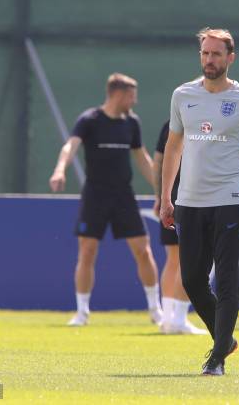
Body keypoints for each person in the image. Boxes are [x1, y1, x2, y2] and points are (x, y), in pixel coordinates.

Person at [160, 28, 239, 376]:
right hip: (189, 203)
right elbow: (173, 147)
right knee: (191, 279)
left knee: (225, 281)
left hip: (229, 201)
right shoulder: (182, 95)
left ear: (230, 58)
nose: (210, 60)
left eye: (217, 54)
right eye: (205, 54)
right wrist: (166, 196)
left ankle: (217, 356)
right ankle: (226, 339)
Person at [49, 73, 163, 327]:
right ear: (119, 94)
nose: (135, 101)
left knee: (144, 252)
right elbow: (70, 146)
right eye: (132, 96)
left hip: (124, 196)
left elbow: (142, 158)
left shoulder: (132, 123)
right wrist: (60, 170)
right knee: (87, 252)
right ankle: (82, 313)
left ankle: (156, 310)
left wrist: (162, 189)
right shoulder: (90, 120)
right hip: (95, 196)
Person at [153, 119, 207, 335]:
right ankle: (178, 318)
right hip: (192, 197)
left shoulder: (171, 123)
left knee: (174, 259)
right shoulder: (204, 120)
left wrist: (160, 194)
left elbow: (158, 161)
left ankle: (168, 319)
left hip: (173, 196)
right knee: (190, 259)